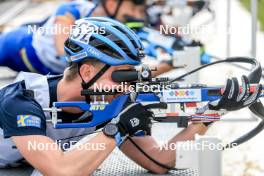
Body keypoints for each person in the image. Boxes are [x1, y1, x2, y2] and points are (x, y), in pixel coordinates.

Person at [0, 17, 261, 175]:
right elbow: (61, 171)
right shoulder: (22, 101)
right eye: (121, 75)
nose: (127, 86)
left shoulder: (111, 102)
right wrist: (116, 129)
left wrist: (213, 110)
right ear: (88, 71)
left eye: (131, 76)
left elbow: (160, 160)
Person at [0, 0, 147, 74]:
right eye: (133, 8)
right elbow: (62, 48)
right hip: (18, 47)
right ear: (112, 3)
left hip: (45, 70)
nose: (136, 16)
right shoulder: (77, 8)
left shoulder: (117, 26)